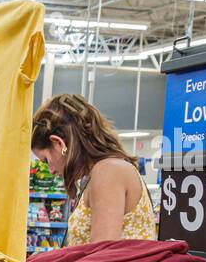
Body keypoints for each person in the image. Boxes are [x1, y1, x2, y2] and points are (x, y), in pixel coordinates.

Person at [30, 93, 156, 246]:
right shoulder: (103, 171)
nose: (50, 170)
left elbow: (101, 256)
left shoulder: (108, 171)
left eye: (45, 160)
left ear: (58, 143)